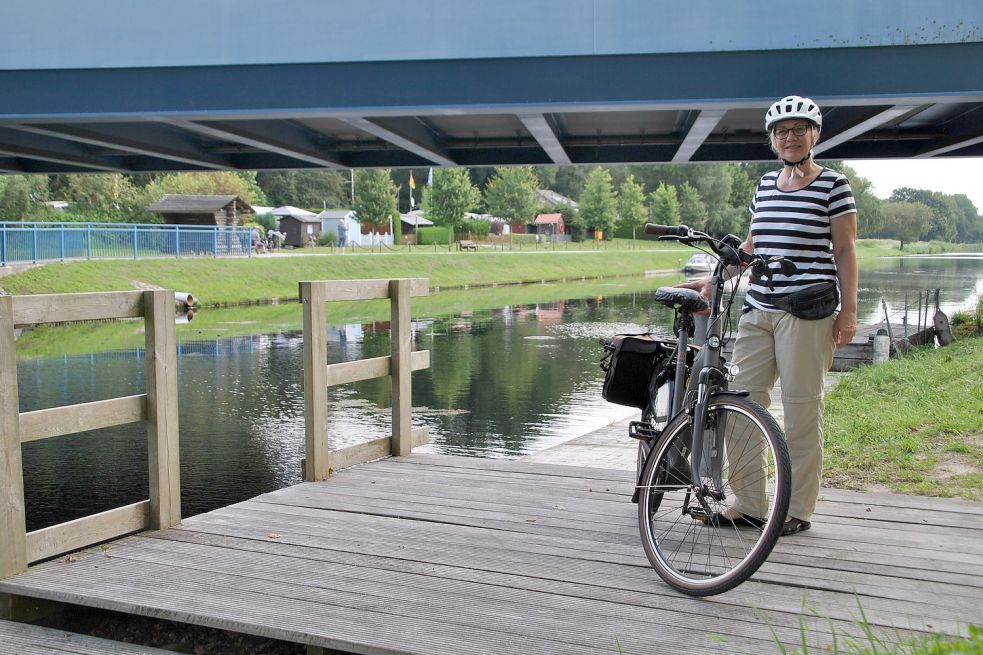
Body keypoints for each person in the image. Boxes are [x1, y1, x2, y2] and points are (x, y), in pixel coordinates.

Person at [682, 95, 858, 536]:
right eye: (782, 132)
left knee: (802, 411)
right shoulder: (764, 184)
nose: (790, 137)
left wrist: (849, 311)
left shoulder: (833, 185)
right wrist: (715, 277)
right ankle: (751, 504)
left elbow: (846, 251)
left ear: (814, 135)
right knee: (741, 403)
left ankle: (796, 509)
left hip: (807, 313)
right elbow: (751, 245)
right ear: (772, 139)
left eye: (799, 130)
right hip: (758, 309)